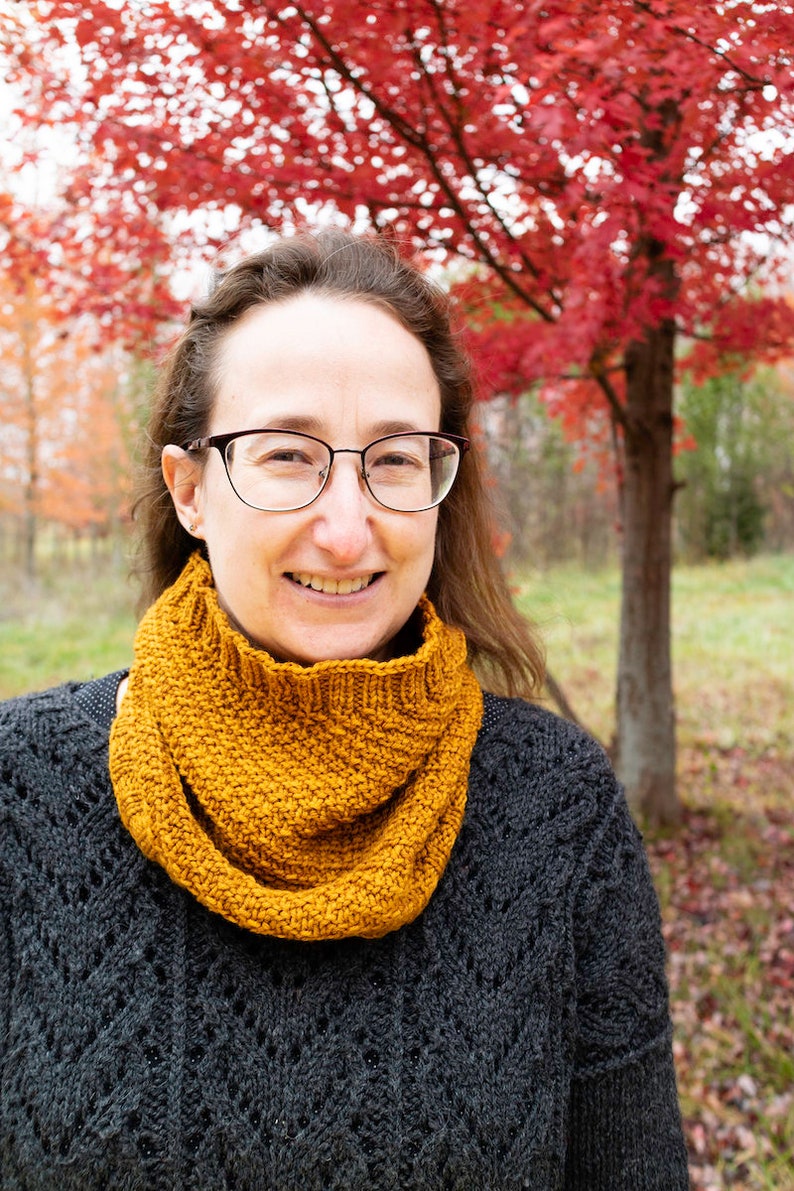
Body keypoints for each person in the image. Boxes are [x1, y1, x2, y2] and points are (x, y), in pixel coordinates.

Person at [0, 229, 689, 1189]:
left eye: (396, 460)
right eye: (288, 454)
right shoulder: (18, 789)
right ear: (191, 489)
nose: (346, 526)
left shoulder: (555, 806)